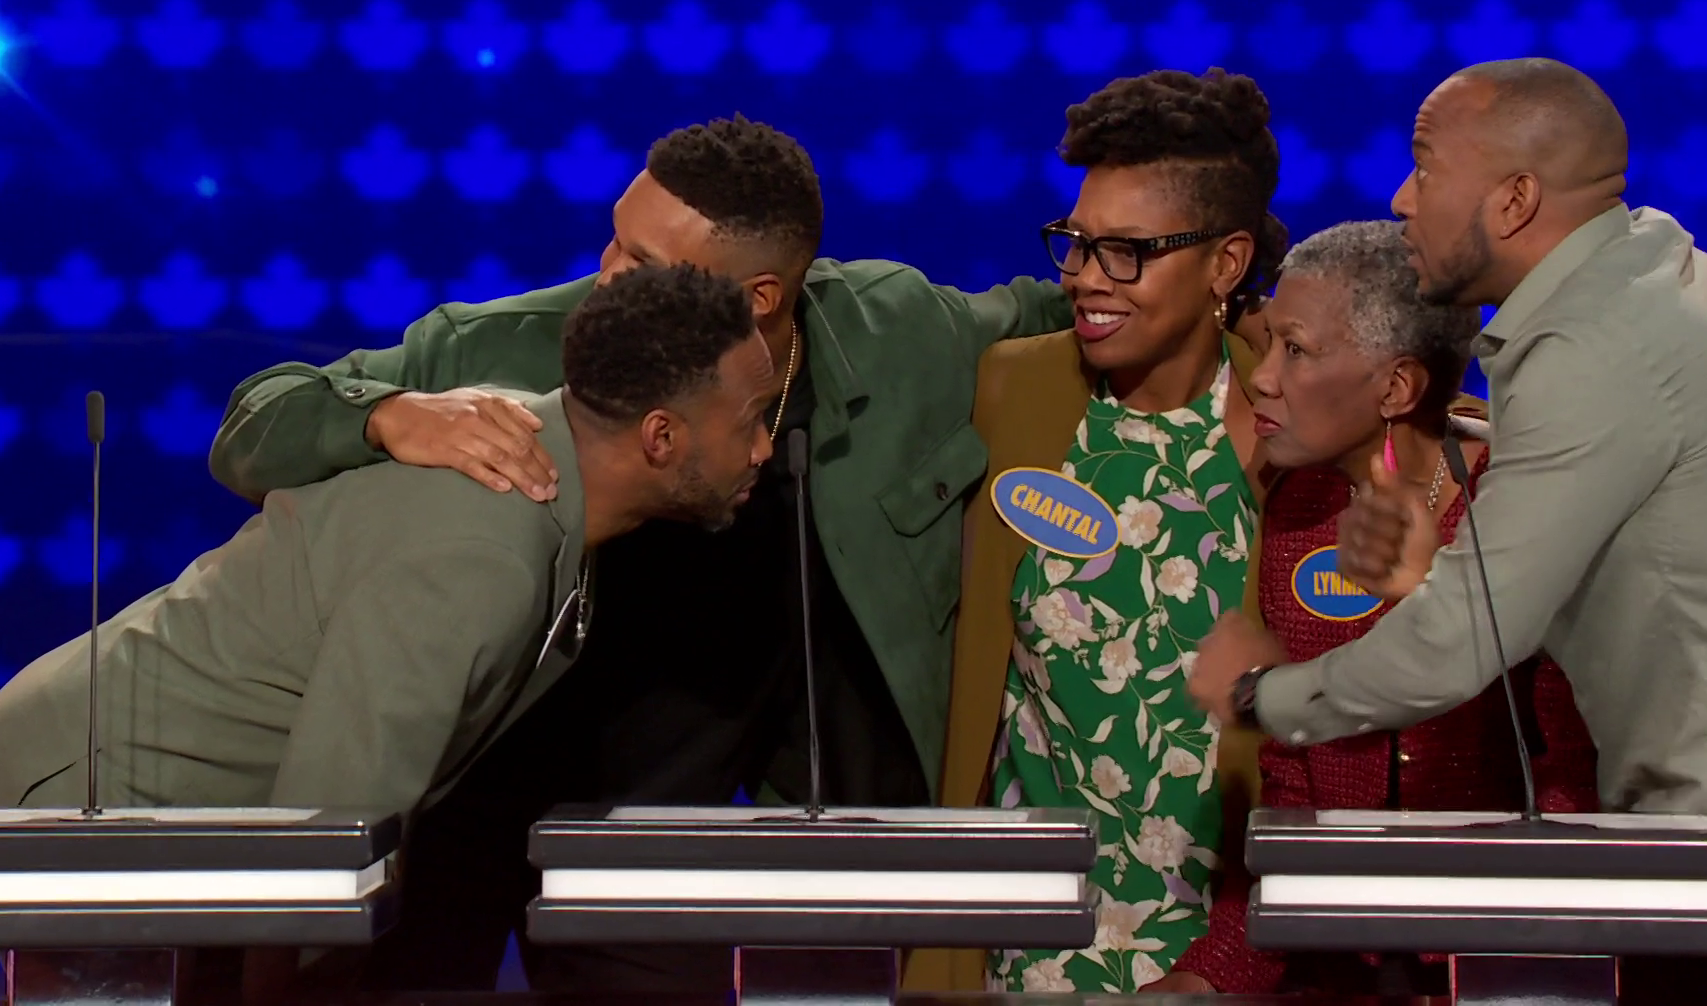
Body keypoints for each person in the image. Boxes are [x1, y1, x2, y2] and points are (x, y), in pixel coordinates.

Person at [208, 116, 1074, 994]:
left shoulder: (896, 333)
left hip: (673, 840)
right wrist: (385, 415)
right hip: (472, 798)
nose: (607, 278)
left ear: (759, 298)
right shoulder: (496, 348)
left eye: (646, 264)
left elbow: (1070, 320)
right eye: (616, 241)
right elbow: (256, 421)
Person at [1189, 59, 1707, 1005]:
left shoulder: (1597, 344)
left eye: (1426, 167)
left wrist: (1258, 694)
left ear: (1514, 200)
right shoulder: (1664, 283)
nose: (1402, 197)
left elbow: (1463, 641)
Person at [0, 260, 771, 820]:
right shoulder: (482, 552)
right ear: (660, 436)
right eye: (751, 421)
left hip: (130, 813)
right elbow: (325, 847)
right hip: (74, 796)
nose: (767, 447)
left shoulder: (528, 454)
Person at [901, 68, 1287, 994]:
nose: (1082, 277)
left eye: (1126, 252)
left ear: (1226, 264)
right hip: (1032, 945)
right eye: (1076, 243)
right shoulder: (1014, 389)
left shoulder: (1290, 418)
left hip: (1229, 951)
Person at [1147, 220, 1599, 996]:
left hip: (1514, 958)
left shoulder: (1517, 506)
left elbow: (1571, 781)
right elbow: (1295, 794)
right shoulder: (1298, 510)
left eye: (1296, 350)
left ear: (1397, 388)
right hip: (1338, 968)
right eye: (1270, 343)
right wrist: (1210, 977)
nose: (1263, 378)